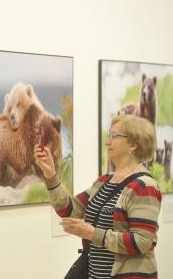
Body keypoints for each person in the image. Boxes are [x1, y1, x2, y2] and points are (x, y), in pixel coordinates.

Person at [34, 114, 162, 279]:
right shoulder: (104, 181)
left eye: (114, 136)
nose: (107, 141)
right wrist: (50, 174)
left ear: (133, 144)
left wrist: (93, 234)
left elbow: (142, 241)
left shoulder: (144, 186)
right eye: (109, 135)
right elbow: (69, 209)